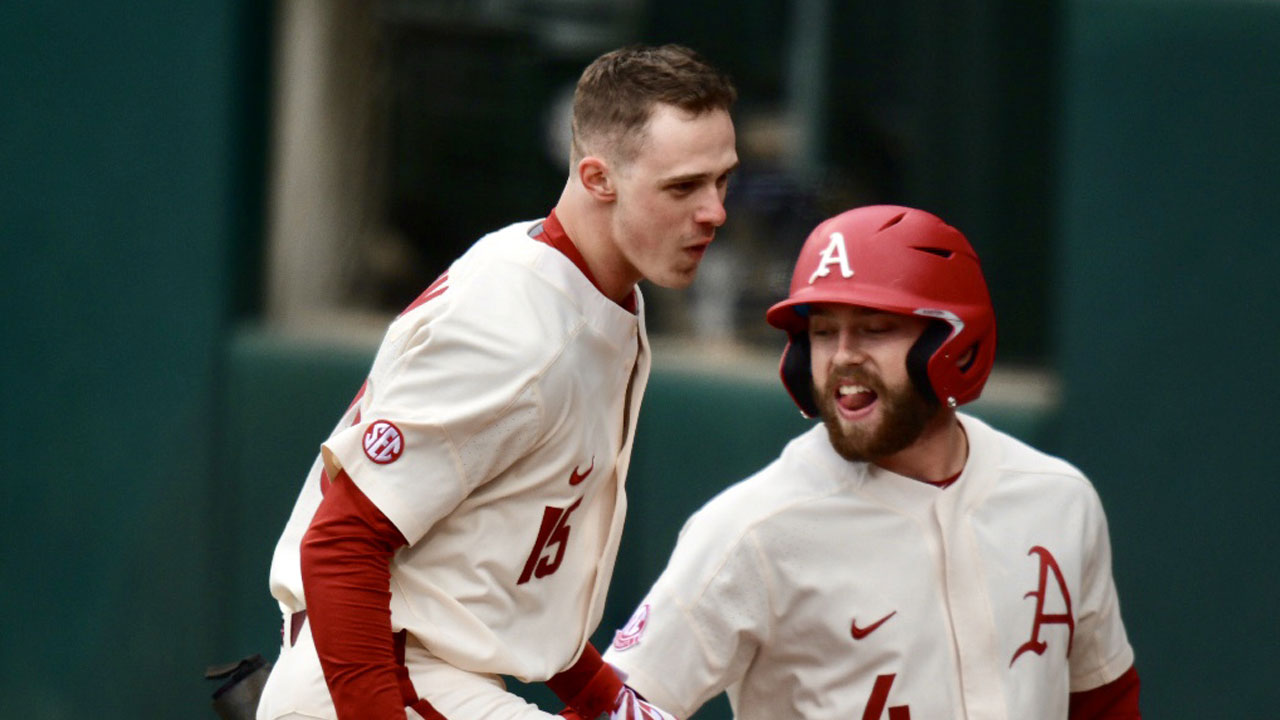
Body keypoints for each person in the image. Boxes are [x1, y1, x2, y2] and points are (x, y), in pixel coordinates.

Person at [255, 44, 738, 720]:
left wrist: (604, 700)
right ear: (598, 177)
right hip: (378, 680)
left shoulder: (602, 299)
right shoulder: (513, 323)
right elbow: (341, 542)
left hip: (438, 676)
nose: (714, 211)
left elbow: (512, 578)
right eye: (684, 187)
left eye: (722, 181)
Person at [602, 205, 1141, 719]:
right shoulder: (753, 529)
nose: (841, 357)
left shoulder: (1058, 499)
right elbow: (616, 705)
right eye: (821, 332)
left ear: (951, 342)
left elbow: (1103, 702)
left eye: (874, 328)